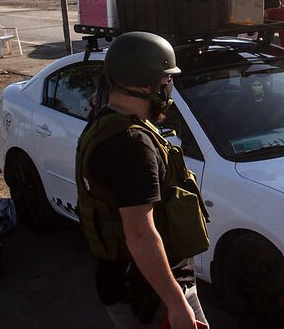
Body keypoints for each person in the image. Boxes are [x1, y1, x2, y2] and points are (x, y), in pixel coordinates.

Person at [76, 32, 208, 329]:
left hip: (130, 284)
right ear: (149, 84)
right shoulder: (133, 146)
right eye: (167, 81)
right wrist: (176, 304)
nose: (169, 89)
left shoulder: (106, 121)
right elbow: (140, 233)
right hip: (151, 294)